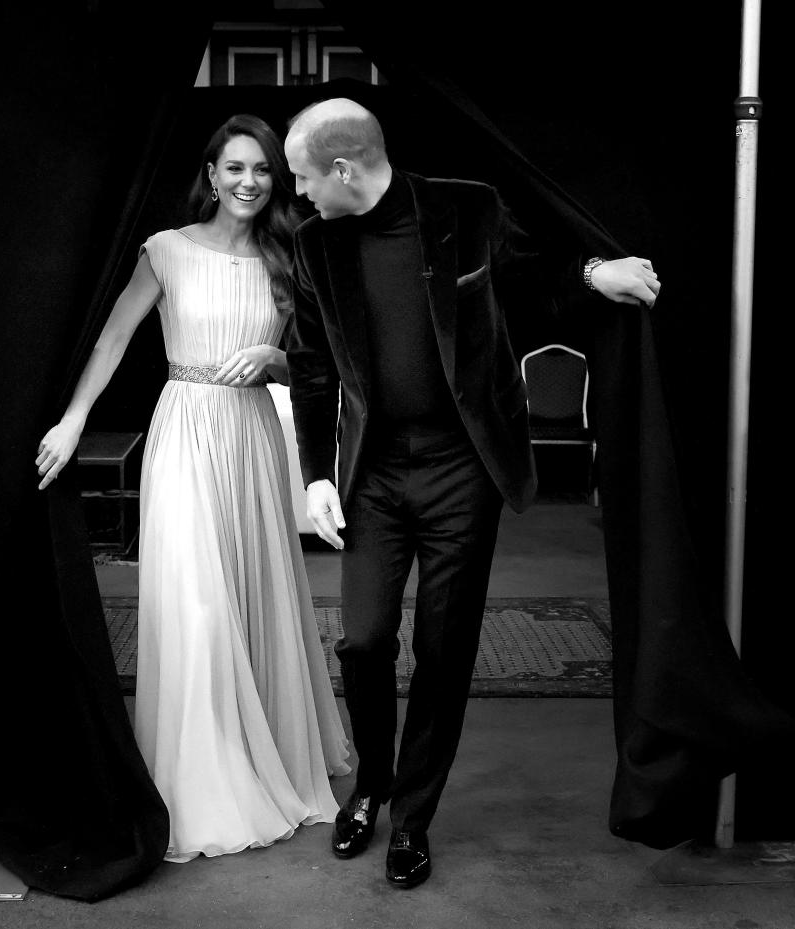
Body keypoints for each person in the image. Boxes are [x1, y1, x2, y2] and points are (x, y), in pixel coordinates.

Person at [283, 98, 660, 888]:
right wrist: (318, 471)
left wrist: (598, 271)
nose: (300, 192)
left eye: (304, 177)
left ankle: (411, 818)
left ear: (344, 169)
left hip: (464, 471)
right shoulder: (315, 244)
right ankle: (371, 787)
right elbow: (313, 365)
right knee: (362, 639)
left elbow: (536, 275)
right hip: (377, 474)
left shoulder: (468, 207)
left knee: (444, 651)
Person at [36, 114, 350, 863]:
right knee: (198, 605)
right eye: (234, 167)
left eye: (262, 170)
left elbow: (318, 362)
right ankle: (203, 782)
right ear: (210, 175)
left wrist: (273, 354)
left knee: (249, 596)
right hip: (184, 432)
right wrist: (75, 421)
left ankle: (262, 751)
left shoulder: (289, 256)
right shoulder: (167, 250)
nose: (248, 181)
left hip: (249, 438)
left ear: (277, 179)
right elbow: (113, 337)